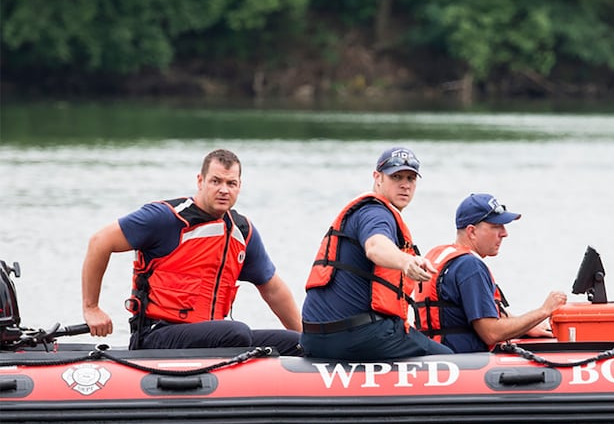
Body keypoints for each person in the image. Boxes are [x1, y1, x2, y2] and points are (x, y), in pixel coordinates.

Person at [81, 149, 303, 355]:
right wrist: (92, 308)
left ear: (239, 186)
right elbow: (100, 242)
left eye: (231, 183)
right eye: (216, 181)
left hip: (212, 337)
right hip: (158, 335)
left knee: (293, 342)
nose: (224, 189)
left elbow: (273, 289)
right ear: (200, 181)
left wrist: (309, 338)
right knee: (237, 332)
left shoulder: (242, 231)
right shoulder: (165, 217)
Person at [300, 146, 453, 360]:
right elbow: (375, 246)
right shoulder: (376, 214)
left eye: (411, 179)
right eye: (396, 176)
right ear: (377, 177)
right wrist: (406, 261)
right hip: (360, 338)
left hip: (314, 340)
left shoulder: (364, 212)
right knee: (449, 359)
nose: (404, 185)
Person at [415, 193, 567, 353]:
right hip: (463, 364)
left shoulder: (441, 256)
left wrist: (525, 326)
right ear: (472, 232)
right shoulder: (469, 266)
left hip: (435, 356)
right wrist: (543, 311)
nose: (504, 233)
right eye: (496, 226)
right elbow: (491, 333)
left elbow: (479, 310)